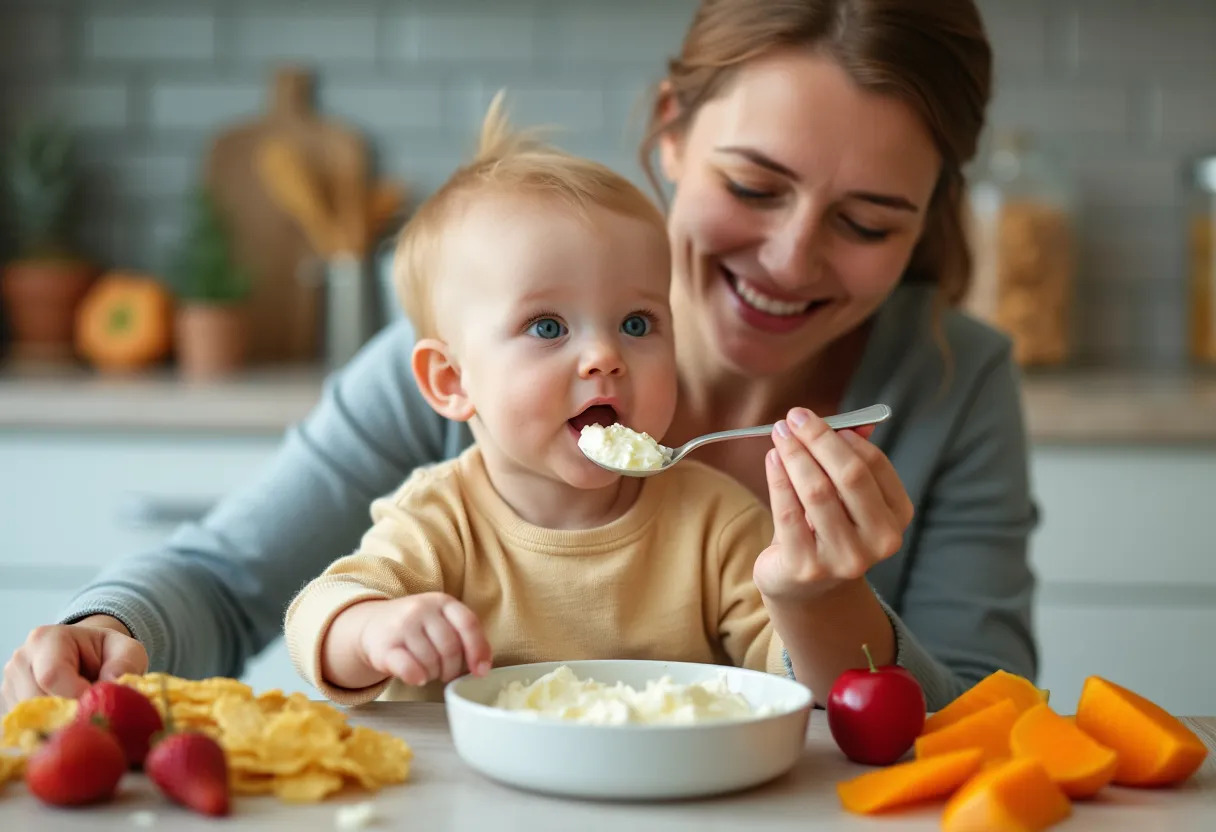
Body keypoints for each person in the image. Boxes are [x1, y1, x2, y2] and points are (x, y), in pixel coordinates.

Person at [2, 0, 1035, 713]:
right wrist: (107, 628)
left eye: (865, 221)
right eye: (756, 187)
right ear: (671, 130)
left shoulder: (953, 382)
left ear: (929, 218)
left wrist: (828, 602)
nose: (787, 256)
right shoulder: (487, 338)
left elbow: (980, 715)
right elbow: (235, 584)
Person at [284, 96, 809, 705]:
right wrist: (372, 629)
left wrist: (815, 597)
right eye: (547, 327)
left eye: (637, 324)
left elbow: (793, 681)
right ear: (452, 381)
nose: (604, 356)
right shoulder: (440, 522)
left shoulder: (715, 523)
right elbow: (316, 614)